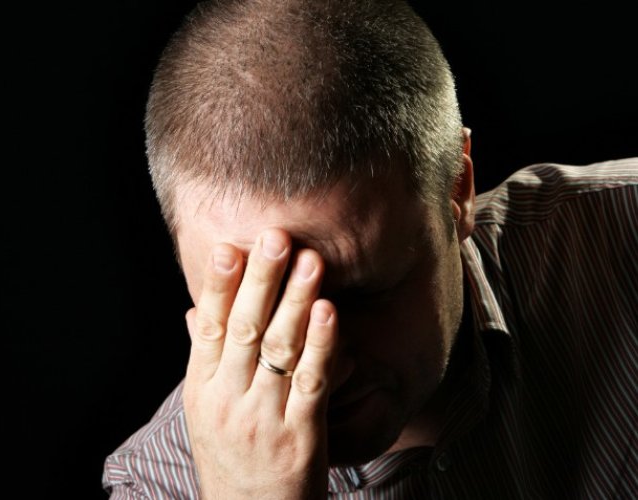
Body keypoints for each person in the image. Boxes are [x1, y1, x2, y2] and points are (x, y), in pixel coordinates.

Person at [102, 0, 637, 497]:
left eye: (364, 295)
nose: (321, 371)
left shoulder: (624, 233)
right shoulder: (155, 487)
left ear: (457, 190)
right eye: (255, 306)